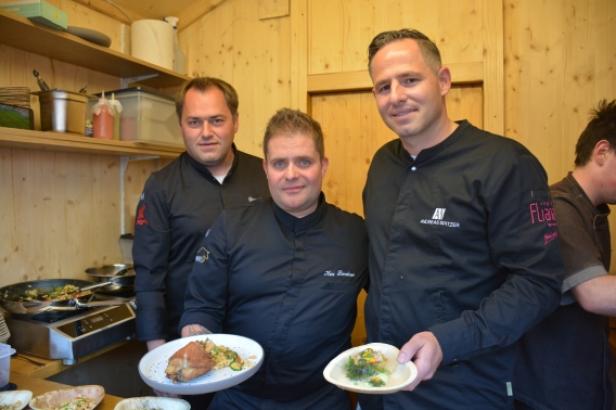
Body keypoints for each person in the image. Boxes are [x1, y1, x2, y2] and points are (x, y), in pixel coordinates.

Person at [359, 28, 565, 409]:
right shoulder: (382, 166)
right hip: (384, 383)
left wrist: (447, 341)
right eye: (383, 87)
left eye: (409, 80)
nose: (396, 96)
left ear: (443, 81)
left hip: (466, 384)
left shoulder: (504, 164)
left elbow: (538, 283)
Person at [180, 108, 368, 409]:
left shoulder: (356, 234)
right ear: (266, 168)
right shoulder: (231, 226)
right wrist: (188, 352)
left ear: (323, 165)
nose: (291, 174)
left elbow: (392, 303)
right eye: (280, 163)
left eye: (303, 162)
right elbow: (202, 306)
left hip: (321, 400)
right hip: (238, 398)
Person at [132, 77, 269, 351]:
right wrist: (157, 353)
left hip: (258, 340)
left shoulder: (267, 175)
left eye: (217, 120)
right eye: (194, 122)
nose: (206, 132)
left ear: (236, 121)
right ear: (181, 125)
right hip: (186, 344)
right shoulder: (161, 186)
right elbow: (149, 277)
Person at [514, 99, 616, 410]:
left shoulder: (593, 210)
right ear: (602, 152)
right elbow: (594, 294)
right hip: (552, 386)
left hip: (582, 372)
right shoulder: (558, 207)